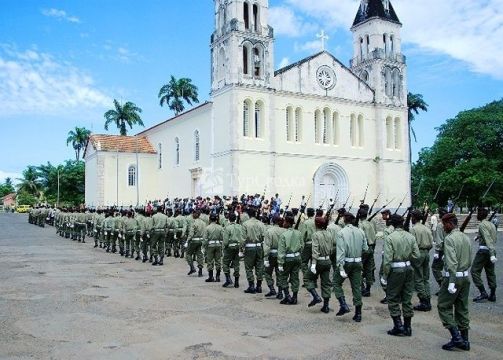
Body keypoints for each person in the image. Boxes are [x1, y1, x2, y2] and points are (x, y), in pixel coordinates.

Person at [437, 213, 471, 351]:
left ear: (450, 224)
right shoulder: (465, 237)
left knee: (443, 306)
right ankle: (465, 340)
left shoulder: (450, 239)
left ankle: (456, 338)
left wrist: (451, 281)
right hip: (464, 277)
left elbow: (451, 262)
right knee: (462, 308)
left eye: (444, 224)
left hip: (454, 277)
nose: (443, 227)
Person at [381, 214, 420, 337]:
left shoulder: (390, 238)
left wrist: (385, 276)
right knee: (407, 298)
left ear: (392, 223)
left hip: (395, 270)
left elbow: (387, 260)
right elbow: (417, 255)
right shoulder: (410, 236)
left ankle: (398, 326)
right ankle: (408, 327)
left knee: (392, 298)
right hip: (408, 268)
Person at [333, 213, 368, 322]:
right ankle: (358, 313)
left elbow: (340, 252)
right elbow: (365, 248)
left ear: (344, 220)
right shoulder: (361, 231)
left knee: (336, 283)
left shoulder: (341, 232)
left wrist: (340, 266)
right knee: (356, 287)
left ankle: (343, 304)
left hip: (346, 262)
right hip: (357, 262)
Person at [308, 216, 336, 313]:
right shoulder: (329, 234)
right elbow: (332, 247)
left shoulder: (315, 235)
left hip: (318, 261)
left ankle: (316, 296)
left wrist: (313, 264)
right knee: (326, 283)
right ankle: (326, 306)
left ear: (317, 224)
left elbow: (315, 249)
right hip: (327, 260)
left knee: (308, 279)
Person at [471, 207, 498, 302]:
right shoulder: (491, 224)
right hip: (492, 250)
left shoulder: (482, 224)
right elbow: (491, 237)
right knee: (490, 272)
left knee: (474, 271)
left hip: (484, 251)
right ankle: (493, 294)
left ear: (480, 215)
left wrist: (491, 252)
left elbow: (487, 238)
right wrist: (478, 236)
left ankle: (483, 292)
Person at [410, 210, 434, 311]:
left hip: (418, 253)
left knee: (418, 278)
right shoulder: (426, 228)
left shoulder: (413, 229)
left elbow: (412, 244)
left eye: (412, 217)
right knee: (425, 278)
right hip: (426, 253)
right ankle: (428, 299)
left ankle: (423, 301)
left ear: (414, 218)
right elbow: (431, 243)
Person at [277, 213, 304, 305]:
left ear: (288, 223)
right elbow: (302, 246)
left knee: (283, 277)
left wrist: (280, 263)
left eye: (285, 221)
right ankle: (295, 297)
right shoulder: (298, 233)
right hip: (297, 257)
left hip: (287, 259)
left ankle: (287, 296)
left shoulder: (283, 235)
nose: (283, 223)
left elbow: (281, 250)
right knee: (295, 278)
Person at [241, 208, 266, 294]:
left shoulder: (245, 224)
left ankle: (251, 286)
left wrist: (241, 249)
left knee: (249, 268)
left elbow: (243, 238)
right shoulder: (261, 224)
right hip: (259, 247)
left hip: (249, 247)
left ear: (248, 215)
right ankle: (259, 286)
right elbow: (264, 237)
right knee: (259, 266)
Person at [263, 215, 285, 299]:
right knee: (279, 273)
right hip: (281, 254)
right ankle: (280, 292)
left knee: (268, 273)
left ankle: (272, 289)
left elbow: (267, 246)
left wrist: (265, 258)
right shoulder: (284, 231)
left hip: (272, 254)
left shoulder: (269, 231)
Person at [358, 205, 376, 297]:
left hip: (364, 248)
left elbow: (360, 237)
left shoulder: (361, 225)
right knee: (369, 269)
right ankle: (368, 289)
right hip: (371, 247)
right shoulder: (370, 224)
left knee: (359, 268)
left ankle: (362, 288)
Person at [222, 213, 244, 288]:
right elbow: (242, 238)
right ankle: (236, 282)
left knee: (225, 263)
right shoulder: (240, 227)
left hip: (229, 247)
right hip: (237, 247)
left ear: (229, 219)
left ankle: (228, 279)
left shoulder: (227, 228)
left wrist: (224, 247)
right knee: (236, 264)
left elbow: (225, 241)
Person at [377, 209, 393, 304]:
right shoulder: (393, 227)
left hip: (388, 254)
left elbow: (388, 244)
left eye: (383, 215)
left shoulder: (388, 230)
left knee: (383, 274)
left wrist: (385, 253)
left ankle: (388, 294)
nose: (382, 216)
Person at [431, 208, 448, 294]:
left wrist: (437, 251)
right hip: (450, 249)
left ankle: (442, 285)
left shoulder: (440, 225)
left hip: (442, 250)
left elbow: (439, 240)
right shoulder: (450, 224)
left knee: (435, 268)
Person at [203, 213, 224, 282]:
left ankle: (211, 277)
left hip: (210, 246)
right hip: (218, 245)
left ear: (210, 219)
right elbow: (222, 237)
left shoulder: (207, 228)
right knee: (218, 261)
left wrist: (204, 247)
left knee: (210, 261)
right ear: (216, 219)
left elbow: (205, 239)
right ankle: (218, 277)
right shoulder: (220, 227)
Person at [299, 208, 316, 289]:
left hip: (308, 244)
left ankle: (307, 280)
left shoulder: (305, 223)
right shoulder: (316, 221)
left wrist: (301, 246)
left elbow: (303, 236)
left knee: (304, 263)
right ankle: (314, 281)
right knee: (314, 263)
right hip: (316, 244)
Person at [186, 210, 206, 277]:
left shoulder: (194, 223)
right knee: (200, 255)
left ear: (195, 214)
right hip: (201, 241)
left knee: (188, 254)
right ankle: (200, 271)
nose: (192, 215)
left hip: (194, 241)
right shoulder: (203, 223)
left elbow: (191, 233)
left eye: (193, 214)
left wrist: (187, 241)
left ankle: (192, 267)